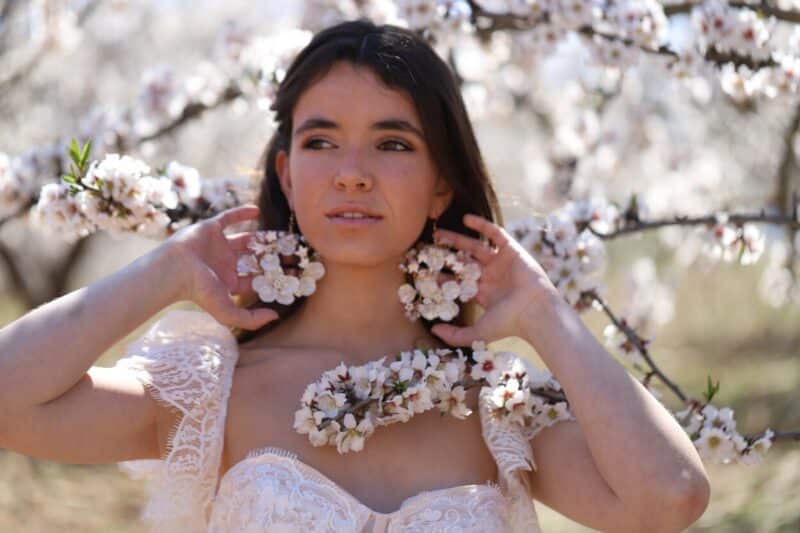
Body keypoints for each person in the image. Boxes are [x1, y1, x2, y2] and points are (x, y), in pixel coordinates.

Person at [0, 19, 710, 532]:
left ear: (441, 183)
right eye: (321, 141)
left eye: (393, 143)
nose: (352, 175)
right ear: (286, 169)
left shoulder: (496, 404)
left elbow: (670, 498)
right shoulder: (212, 386)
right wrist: (167, 269)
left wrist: (544, 312)